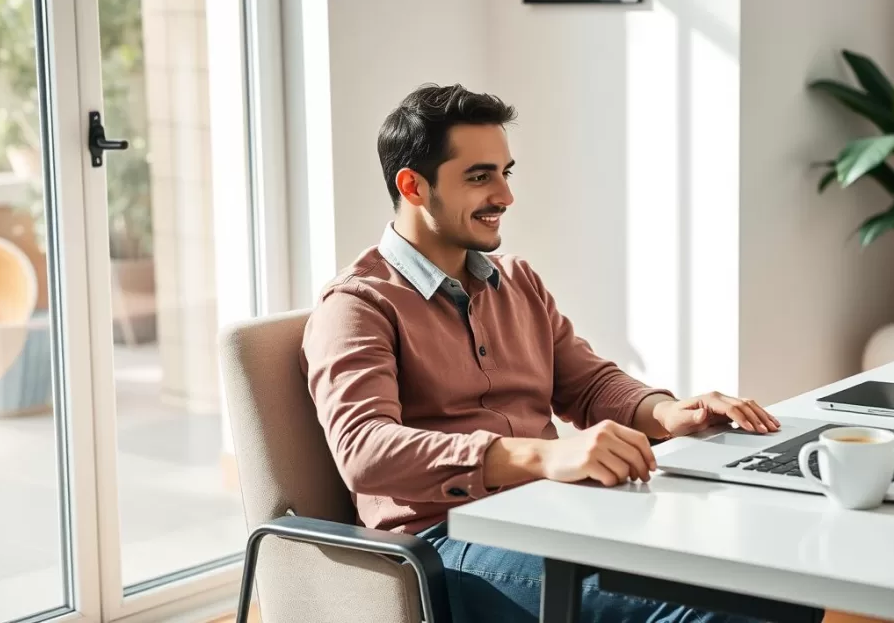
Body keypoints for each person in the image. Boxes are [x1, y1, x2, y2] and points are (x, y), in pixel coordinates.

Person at [299, 83, 821, 623]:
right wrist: (541, 455)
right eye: (480, 177)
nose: (504, 195)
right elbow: (365, 451)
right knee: (724, 610)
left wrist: (667, 412)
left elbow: (590, 386)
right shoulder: (357, 306)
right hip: (447, 546)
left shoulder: (517, 280)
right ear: (412, 185)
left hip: (554, 511)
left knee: (781, 584)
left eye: (506, 173)